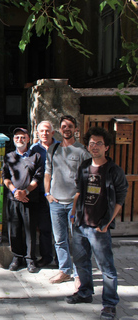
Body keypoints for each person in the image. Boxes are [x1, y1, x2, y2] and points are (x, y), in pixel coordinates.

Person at [66, 127, 128, 320]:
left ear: (106, 147)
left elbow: (120, 199)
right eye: (91, 143)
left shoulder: (114, 171)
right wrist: (74, 214)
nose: (94, 146)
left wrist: (108, 222)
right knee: (81, 261)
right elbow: (78, 191)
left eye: (99, 143)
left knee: (106, 266)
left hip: (99, 226)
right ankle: (85, 292)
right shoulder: (84, 166)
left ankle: (109, 304)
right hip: (80, 224)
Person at [44, 115, 90, 284]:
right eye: (64, 126)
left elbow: (88, 178)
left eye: (70, 126)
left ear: (75, 129)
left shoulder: (82, 152)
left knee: (78, 241)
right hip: (55, 203)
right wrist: (47, 194)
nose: (67, 129)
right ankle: (64, 271)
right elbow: (48, 173)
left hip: (74, 204)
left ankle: (78, 275)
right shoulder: (53, 149)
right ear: (60, 129)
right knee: (59, 239)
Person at [3, 128, 43, 273]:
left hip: (29, 200)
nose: (19, 139)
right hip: (13, 199)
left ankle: (30, 260)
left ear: (28, 139)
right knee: (14, 230)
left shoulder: (36, 156)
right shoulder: (9, 157)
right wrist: (15, 191)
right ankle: (17, 257)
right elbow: (5, 177)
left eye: (23, 137)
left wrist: (25, 192)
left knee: (30, 230)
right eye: (17, 137)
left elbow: (37, 178)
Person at [30, 121, 58, 268]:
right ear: (38, 132)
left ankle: (61, 260)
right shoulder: (34, 149)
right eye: (42, 131)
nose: (45, 133)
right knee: (44, 227)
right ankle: (46, 257)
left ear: (52, 132)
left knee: (60, 229)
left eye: (47, 131)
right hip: (40, 194)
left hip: (59, 194)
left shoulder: (60, 147)